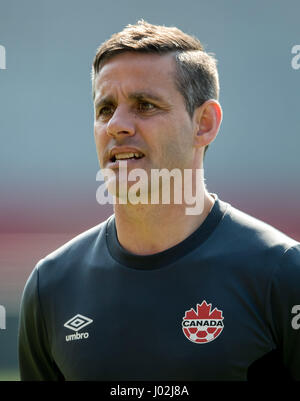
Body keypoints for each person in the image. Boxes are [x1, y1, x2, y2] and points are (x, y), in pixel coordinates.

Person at [18, 20, 300, 381]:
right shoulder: (51, 286)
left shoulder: (282, 274)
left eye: (145, 105)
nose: (116, 125)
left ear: (204, 124)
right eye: (105, 109)